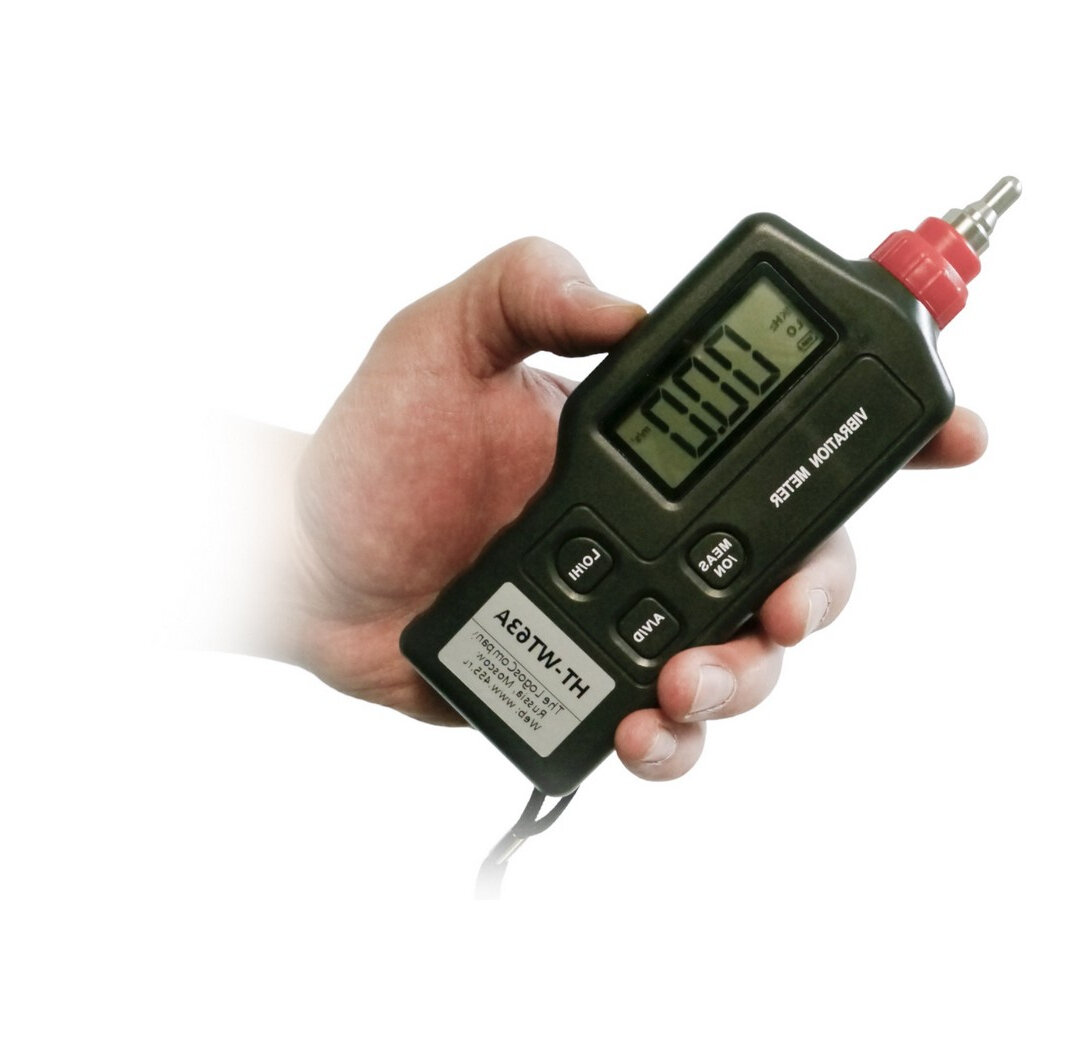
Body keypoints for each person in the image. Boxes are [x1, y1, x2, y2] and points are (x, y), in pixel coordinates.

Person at [226, 237, 987, 782]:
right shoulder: (898, 377)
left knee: (779, 602)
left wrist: (305, 577)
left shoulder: (905, 381)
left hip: (650, 577)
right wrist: (305, 558)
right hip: (583, 514)